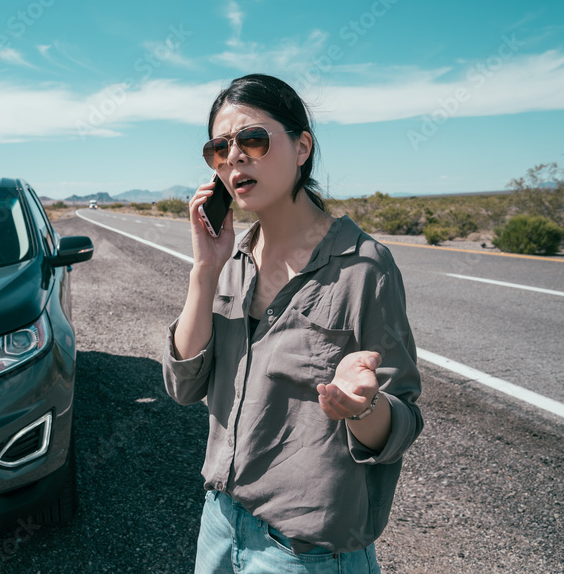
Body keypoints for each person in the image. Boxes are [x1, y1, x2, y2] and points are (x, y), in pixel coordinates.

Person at [162, 73, 423, 573]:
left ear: (302, 147)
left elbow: (403, 422)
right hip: (219, 521)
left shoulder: (364, 267)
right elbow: (182, 385)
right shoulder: (231, 263)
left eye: (253, 140)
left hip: (302, 553)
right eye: (220, 148)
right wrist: (204, 270)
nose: (235, 157)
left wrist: (361, 409)